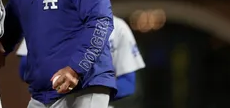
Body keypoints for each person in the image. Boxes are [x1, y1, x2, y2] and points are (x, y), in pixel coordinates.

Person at [16, 16, 146, 108]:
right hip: (49, 99)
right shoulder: (45, 22)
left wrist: (90, 90)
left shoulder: (117, 26)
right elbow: (24, 68)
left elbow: (128, 83)